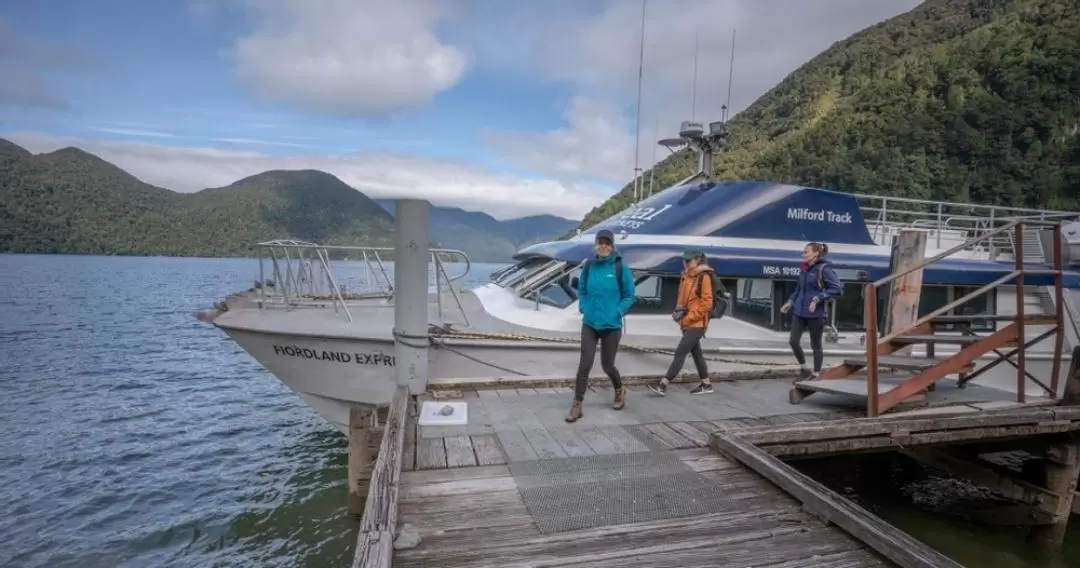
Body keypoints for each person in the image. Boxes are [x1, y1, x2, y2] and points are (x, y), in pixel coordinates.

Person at [565, 229, 636, 423]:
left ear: (612, 246)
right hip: (590, 323)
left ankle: (619, 390)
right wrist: (583, 306)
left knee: (607, 365)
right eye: (600, 242)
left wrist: (618, 311)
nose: (603, 246)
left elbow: (629, 295)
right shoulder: (588, 266)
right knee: (584, 364)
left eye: (607, 243)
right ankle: (577, 405)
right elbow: (582, 290)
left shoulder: (620, 266)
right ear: (595, 244)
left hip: (611, 325)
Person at [647, 249, 724, 396]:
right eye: (684, 260)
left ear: (697, 260)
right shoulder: (685, 277)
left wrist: (689, 318)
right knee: (697, 354)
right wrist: (677, 313)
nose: (686, 263)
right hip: (687, 323)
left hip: (697, 324)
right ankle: (706, 384)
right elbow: (682, 300)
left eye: (689, 260)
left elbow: (706, 304)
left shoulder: (704, 277)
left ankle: (663, 384)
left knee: (680, 353)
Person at [780, 242, 842, 379]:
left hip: (816, 314)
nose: (803, 254)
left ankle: (816, 373)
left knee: (816, 345)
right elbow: (798, 290)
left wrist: (818, 298)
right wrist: (790, 302)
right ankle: (804, 369)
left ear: (815, 253)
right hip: (799, 312)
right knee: (793, 341)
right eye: (803, 252)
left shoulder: (824, 269)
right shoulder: (805, 269)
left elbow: (837, 289)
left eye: (806, 252)